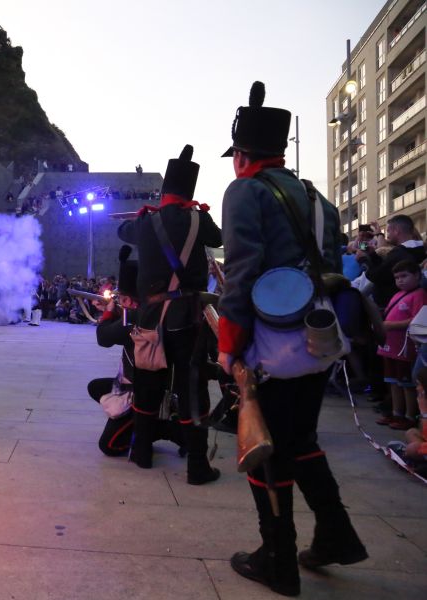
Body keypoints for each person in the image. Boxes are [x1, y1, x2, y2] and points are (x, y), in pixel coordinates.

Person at [217, 82, 367, 597]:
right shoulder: (318, 197)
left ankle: (277, 558)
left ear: (241, 155)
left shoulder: (244, 191)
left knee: (266, 448)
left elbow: (241, 271)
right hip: (320, 336)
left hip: (271, 342)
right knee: (301, 439)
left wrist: (227, 343)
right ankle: (336, 535)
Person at [118, 144, 222, 484]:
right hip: (188, 317)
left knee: (147, 383)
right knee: (193, 389)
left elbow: (123, 233)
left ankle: (142, 451)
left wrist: (142, 218)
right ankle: (196, 465)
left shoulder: (147, 221)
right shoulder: (199, 218)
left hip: (150, 317)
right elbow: (218, 237)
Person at [90, 246, 184, 456]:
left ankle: (164, 429)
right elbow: (123, 334)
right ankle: (139, 424)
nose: (119, 301)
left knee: (109, 446)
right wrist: (112, 314)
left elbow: (103, 338)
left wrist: (107, 315)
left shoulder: (133, 318)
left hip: (142, 392)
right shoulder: (151, 312)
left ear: (131, 300)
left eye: (122, 298)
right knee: (95, 387)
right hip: (152, 385)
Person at [375, 260, 425, 430]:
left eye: (404, 276)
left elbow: (417, 320)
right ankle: (397, 413)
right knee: (393, 382)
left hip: (405, 348)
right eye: (397, 277)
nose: (400, 280)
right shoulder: (397, 295)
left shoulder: (419, 295)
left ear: (417, 275)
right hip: (390, 346)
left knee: (407, 384)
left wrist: (390, 325)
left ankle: (409, 416)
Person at [357, 215, 426, 309]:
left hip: (391, 306)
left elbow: (376, 276)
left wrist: (363, 259)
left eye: (388, 231)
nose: (387, 235)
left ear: (396, 230)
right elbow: (385, 268)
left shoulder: (399, 253)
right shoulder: (421, 249)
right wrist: (373, 255)